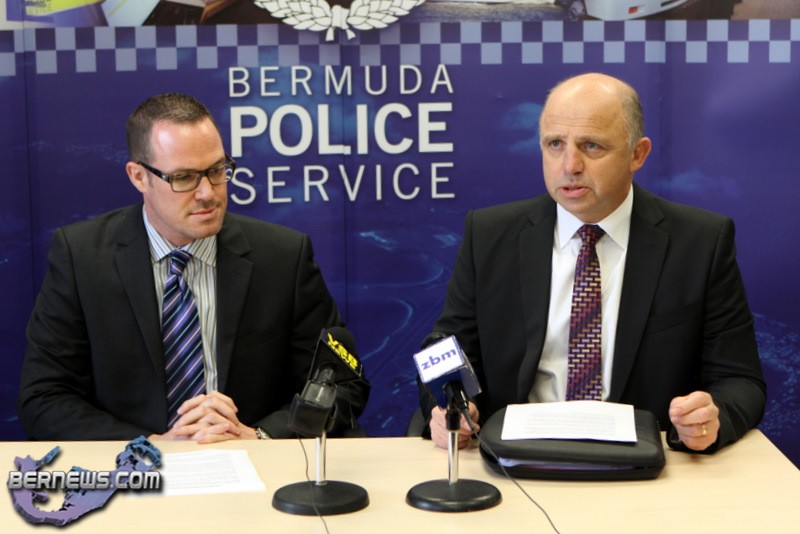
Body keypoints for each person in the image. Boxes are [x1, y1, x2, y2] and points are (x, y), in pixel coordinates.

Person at [420, 72, 765, 453]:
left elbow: (740, 381)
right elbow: (445, 350)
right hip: (517, 458)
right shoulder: (489, 235)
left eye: (591, 146)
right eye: (555, 144)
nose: (570, 165)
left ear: (637, 154)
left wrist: (710, 419)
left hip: (644, 462)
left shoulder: (700, 242)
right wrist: (448, 408)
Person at [18, 93, 369, 443]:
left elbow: (343, 384)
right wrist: (152, 446)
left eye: (216, 171)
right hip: (138, 469)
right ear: (139, 176)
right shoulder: (82, 258)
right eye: (184, 177)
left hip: (254, 464)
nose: (208, 193)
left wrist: (260, 437)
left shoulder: (283, 256)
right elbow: (44, 398)